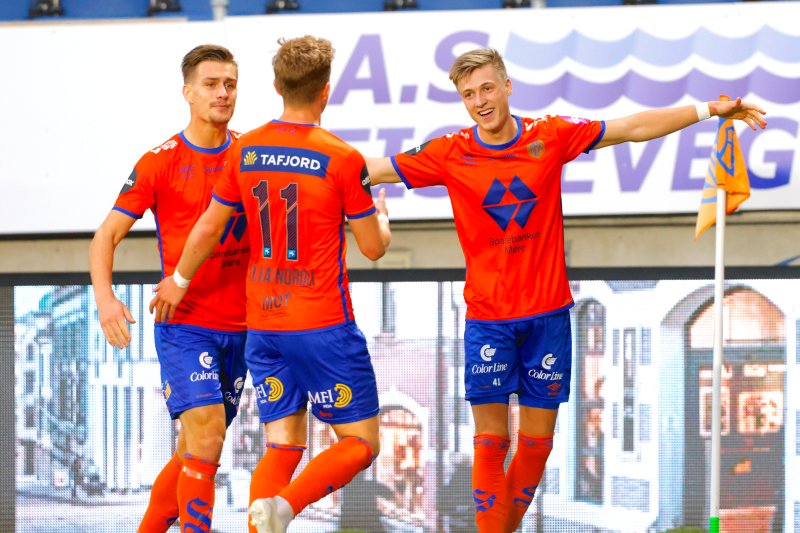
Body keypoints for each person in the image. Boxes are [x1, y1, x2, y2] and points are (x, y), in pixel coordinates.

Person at [366, 48, 767, 533]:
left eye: (487, 89)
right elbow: (375, 169)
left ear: (508, 86)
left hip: (548, 316)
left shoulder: (549, 135)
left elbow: (630, 128)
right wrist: (308, 160)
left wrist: (707, 110)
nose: (480, 102)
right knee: (491, 442)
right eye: (468, 95)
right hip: (488, 319)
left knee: (537, 445)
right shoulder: (449, 152)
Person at [148, 35, 391, 533]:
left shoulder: (247, 148)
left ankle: (265, 520)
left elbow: (209, 227)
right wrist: (381, 215)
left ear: (276, 85)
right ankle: (287, 508)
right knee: (362, 442)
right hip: (323, 324)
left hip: (264, 327)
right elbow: (373, 247)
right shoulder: (343, 158)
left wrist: (177, 278)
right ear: (326, 92)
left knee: (284, 444)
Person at [89, 44, 250, 532]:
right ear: (188, 92)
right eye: (211, 84)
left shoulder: (252, 152)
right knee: (205, 436)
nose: (222, 93)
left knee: (196, 449)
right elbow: (105, 236)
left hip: (244, 327)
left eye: (230, 84)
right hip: (185, 325)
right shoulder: (160, 161)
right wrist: (105, 299)